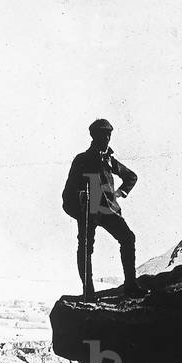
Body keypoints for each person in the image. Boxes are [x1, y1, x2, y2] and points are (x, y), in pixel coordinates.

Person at [61, 119, 139, 299]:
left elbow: (131, 176)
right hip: (88, 209)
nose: (107, 138)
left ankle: (131, 286)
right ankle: (88, 292)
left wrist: (120, 192)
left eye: (109, 134)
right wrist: (80, 201)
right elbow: (69, 190)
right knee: (85, 248)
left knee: (128, 238)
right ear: (93, 136)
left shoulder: (109, 159)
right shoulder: (82, 159)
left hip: (108, 209)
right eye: (103, 134)